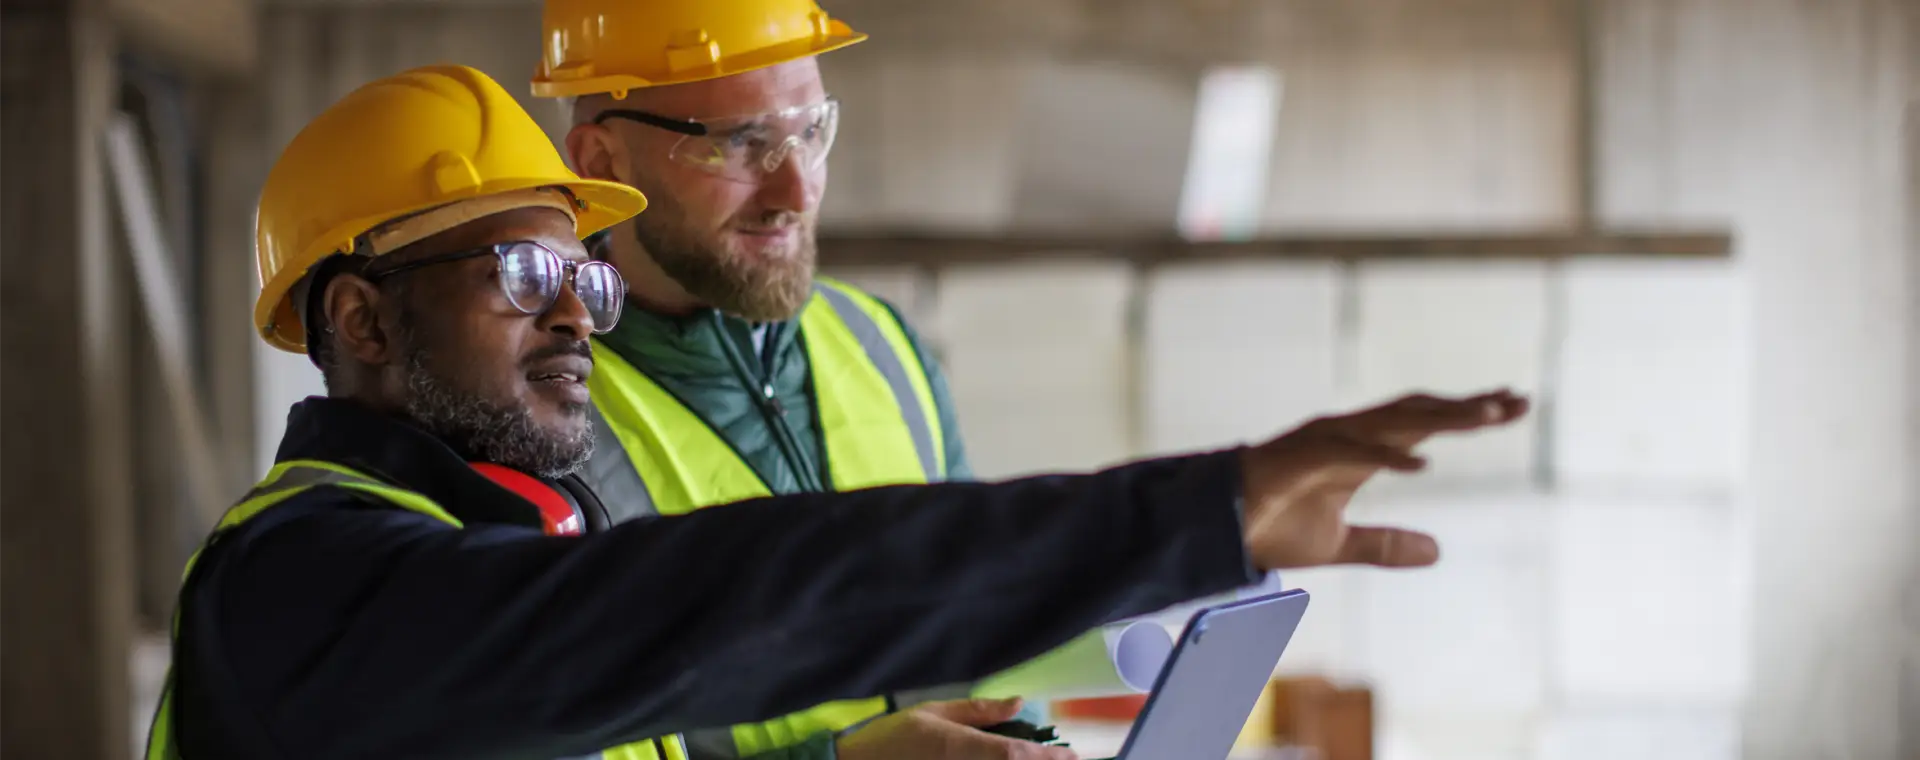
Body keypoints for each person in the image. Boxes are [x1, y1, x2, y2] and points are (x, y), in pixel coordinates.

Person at [146, 64, 1529, 760]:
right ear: (363, 322)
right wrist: (1193, 514)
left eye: (582, 276)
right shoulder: (303, 585)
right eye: (521, 275)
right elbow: (726, 603)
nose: (574, 314)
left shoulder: (513, 538)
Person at [528, 2, 1041, 755]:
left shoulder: (879, 341)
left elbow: (980, 619)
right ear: (602, 161)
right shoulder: (531, 417)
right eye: (742, 143)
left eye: (811, 130)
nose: (797, 192)